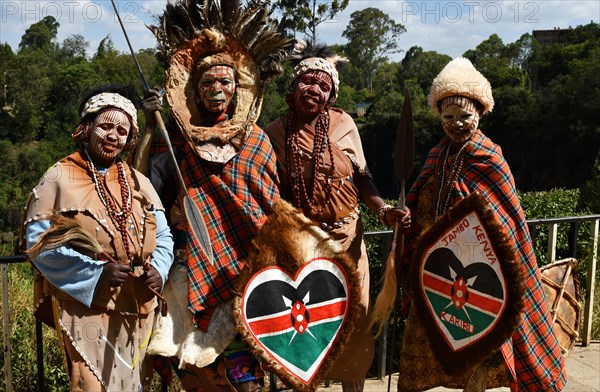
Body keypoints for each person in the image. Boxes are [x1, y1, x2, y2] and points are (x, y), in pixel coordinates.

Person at [138, 1, 292, 391]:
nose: (216, 90)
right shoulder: (177, 138)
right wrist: (148, 125)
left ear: (237, 89)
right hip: (194, 260)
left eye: (224, 83)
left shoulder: (256, 140)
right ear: (195, 90)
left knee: (247, 373)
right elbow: (146, 186)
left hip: (247, 264)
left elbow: (268, 202)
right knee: (197, 367)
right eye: (207, 83)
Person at [396, 57, 566, 391]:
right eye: (448, 117)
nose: (456, 124)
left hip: (479, 279)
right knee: (421, 354)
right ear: (439, 117)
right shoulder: (436, 155)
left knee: (476, 357)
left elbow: (508, 223)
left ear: (481, 113)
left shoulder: (491, 157)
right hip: (435, 275)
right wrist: (405, 218)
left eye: (465, 116)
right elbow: (417, 205)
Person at [264, 46, 410, 392]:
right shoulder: (273, 134)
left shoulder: (344, 124)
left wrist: (384, 210)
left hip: (349, 240)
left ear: (331, 96)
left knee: (353, 323)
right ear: (293, 87)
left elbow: (361, 177)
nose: (314, 89)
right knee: (304, 325)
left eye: (323, 85)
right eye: (307, 81)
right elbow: (267, 189)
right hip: (301, 246)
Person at [20, 85, 175, 391]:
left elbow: (164, 233)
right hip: (84, 304)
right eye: (105, 127)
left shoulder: (137, 180)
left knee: (133, 384)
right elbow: (36, 243)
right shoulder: (58, 176)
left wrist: (159, 268)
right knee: (91, 384)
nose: (113, 136)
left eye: (121, 130)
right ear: (87, 128)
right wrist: (96, 273)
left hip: (136, 303)